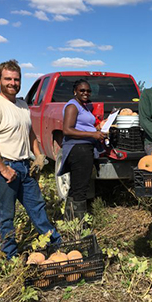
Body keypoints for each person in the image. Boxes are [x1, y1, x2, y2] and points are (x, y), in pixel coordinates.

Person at [0, 60, 61, 260]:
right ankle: (11, 257)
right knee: (6, 215)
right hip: (5, 169)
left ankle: (55, 245)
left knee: (38, 208)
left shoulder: (22, 105)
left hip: (24, 168)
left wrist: (39, 154)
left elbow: (30, 132)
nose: (12, 83)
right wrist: (3, 169)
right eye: (8, 79)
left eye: (16, 79)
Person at [57, 79, 106, 221]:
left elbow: (82, 126)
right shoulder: (72, 106)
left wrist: (97, 129)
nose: (86, 93)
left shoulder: (82, 106)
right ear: (75, 91)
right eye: (82, 90)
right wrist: (93, 134)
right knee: (80, 189)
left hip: (84, 148)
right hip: (78, 149)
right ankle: (80, 225)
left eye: (88, 91)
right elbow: (67, 130)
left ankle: (69, 221)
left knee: (76, 186)